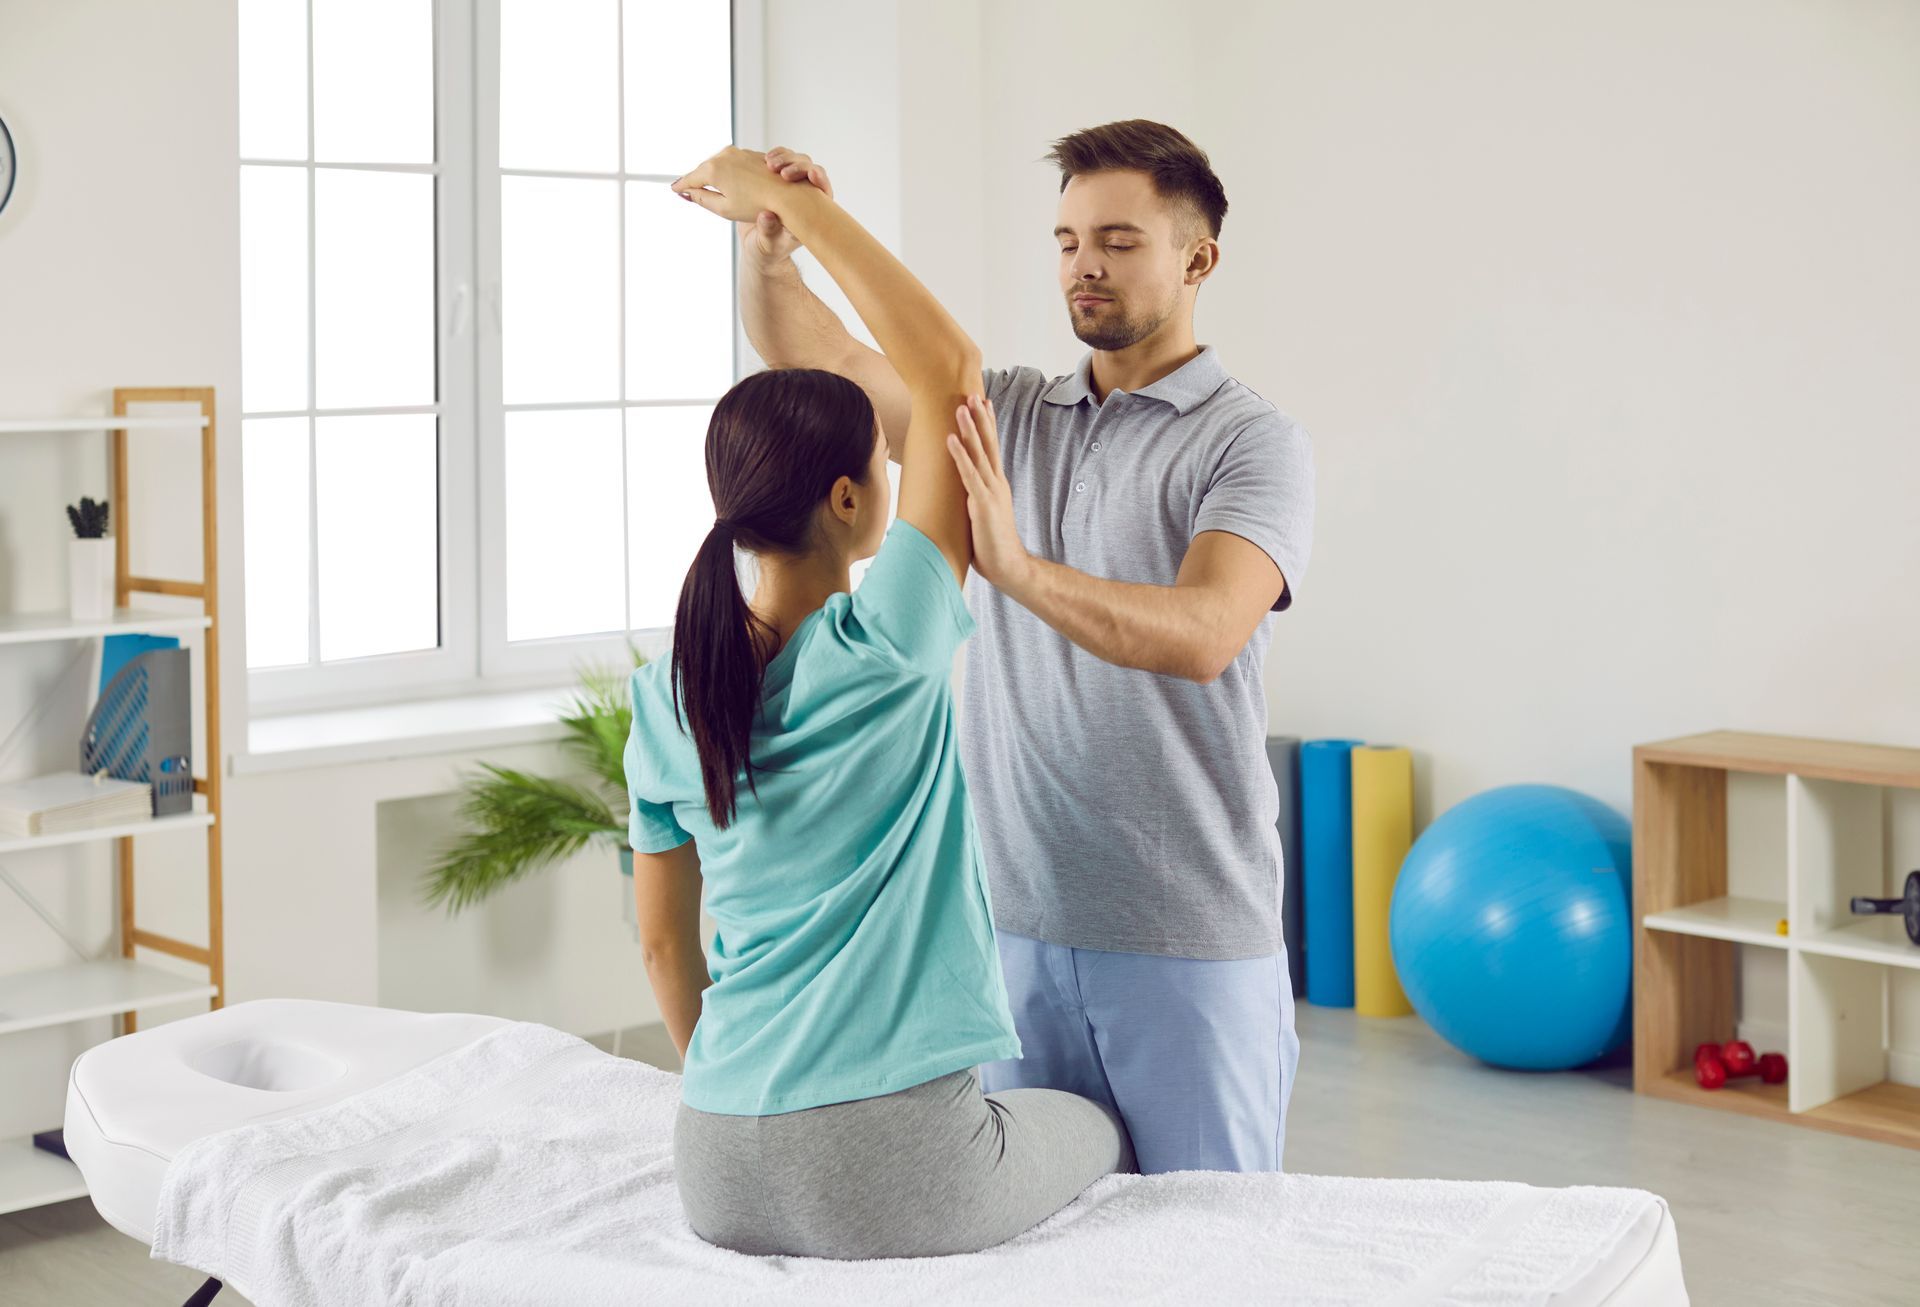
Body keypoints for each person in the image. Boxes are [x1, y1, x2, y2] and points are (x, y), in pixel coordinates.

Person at [736, 120, 1316, 1174]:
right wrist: (775, 248)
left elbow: (1205, 632)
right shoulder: (1004, 411)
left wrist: (1017, 567)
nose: (1085, 264)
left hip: (1186, 937)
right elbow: (817, 355)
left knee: (1213, 1245)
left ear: (1198, 259)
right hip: (1009, 930)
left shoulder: (1251, 440)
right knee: (1037, 1245)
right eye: (1067, 240)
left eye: (1119, 241)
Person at [623, 145, 1131, 1261]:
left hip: (715, 1154)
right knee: (1100, 1129)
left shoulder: (664, 695)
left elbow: (663, 948)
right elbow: (947, 367)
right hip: (892, 1162)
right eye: (886, 467)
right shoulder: (889, 638)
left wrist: (770, 250)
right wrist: (791, 204)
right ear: (849, 498)